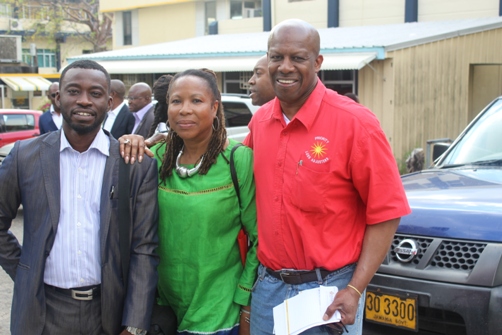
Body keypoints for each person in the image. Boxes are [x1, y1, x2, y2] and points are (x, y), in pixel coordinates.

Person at [243, 19, 411, 335]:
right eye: (276, 57)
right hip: (268, 291)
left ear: (318, 62)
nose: (285, 67)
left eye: (298, 58)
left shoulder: (355, 124)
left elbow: (387, 212)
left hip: (329, 295)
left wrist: (356, 289)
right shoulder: (260, 123)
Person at [0, 59, 159, 335]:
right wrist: (26, 270)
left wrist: (134, 324)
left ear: (109, 102)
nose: (84, 101)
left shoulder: (134, 164)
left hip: (109, 313)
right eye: (74, 91)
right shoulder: (24, 157)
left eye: (95, 94)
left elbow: (144, 247)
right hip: (42, 311)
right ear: (58, 99)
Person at [119, 68, 258, 335]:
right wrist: (127, 143)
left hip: (217, 312)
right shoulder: (155, 157)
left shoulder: (237, 160)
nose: (184, 110)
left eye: (196, 100)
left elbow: (259, 238)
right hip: (163, 309)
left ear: (215, 107)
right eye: (176, 101)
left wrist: (245, 301)